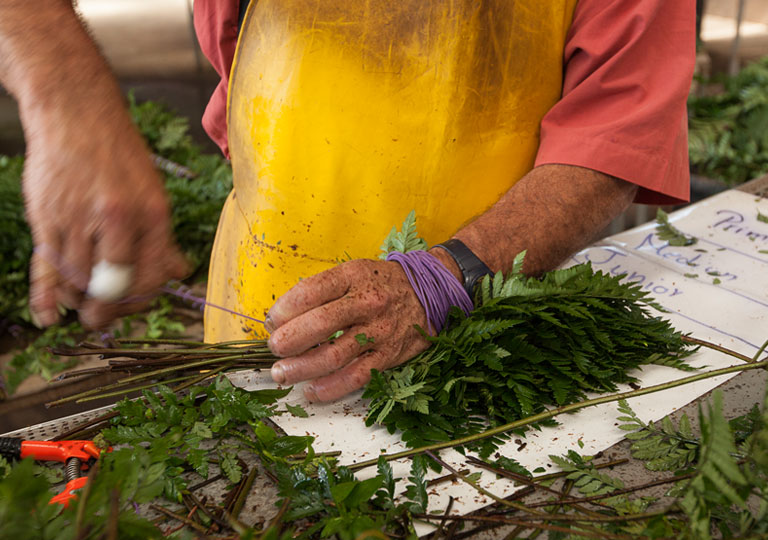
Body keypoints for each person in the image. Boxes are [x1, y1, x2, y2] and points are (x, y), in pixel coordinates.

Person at [1, 1, 695, 404]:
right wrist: (68, 104)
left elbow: (615, 128)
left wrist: (447, 276)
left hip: (477, 318)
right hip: (260, 273)